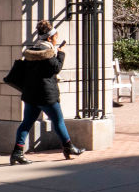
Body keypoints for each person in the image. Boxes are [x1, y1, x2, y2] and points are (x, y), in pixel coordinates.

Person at [9, 20, 85, 165]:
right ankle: (68, 147)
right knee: (58, 121)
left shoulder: (33, 50)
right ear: (49, 38)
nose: (57, 40)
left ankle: (17, 153)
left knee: (26, 123)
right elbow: (55, 68)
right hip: (46, 95)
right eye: (55, 37)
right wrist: (61, 54)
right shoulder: (48, 53)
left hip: (31, 95)